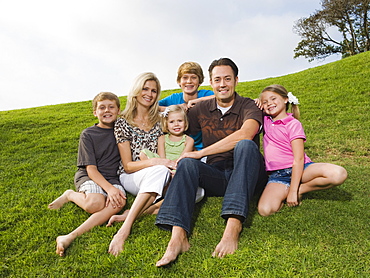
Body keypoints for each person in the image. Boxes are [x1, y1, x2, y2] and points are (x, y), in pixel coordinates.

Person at [155, 58, 267, 267]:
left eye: (227, 79)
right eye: (217, 80)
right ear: (212, 83)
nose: (222, 84)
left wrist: (201, 153)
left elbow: (246, 133)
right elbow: (175, 126)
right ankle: (178, 237)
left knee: (245, 145)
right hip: (218, 175)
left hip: (247, 172)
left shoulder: (249, 105)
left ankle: (233, 228)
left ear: (236, 80)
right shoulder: (201, 108)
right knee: (188, 164)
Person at [48, 92, 126, 257]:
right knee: (94, 204)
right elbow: (91, 168)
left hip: (113, 178)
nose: (107, 110)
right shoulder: (88, 134)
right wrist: (109, 189)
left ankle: (69, 237)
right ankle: (70, 195)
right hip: (91, 175)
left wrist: (113, 188)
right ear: (95, 112)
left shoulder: (122, 130)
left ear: (119, 110)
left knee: (118, 203)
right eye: (102, 107)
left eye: (111, 107)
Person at [108, 72, 174, 256]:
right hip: (131, 175)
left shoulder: (159, 121)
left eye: (154, 91)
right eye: (145, 89)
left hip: (157, 172)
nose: (149, 94)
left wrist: (168, 168)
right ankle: (125, 229)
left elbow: (163, 155)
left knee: (197, 192)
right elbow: (128, 165)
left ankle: (134, 212)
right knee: (160, 170)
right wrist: (156, 162)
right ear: (136, 91)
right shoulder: (122, 121)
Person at [257, 84, 347, 216]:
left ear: (285, 99)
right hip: (278, 175)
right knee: (265, 210)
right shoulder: (265, 120)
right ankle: (283, 190)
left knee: (338, 174)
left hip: (302, 169)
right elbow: (248, 105)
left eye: (273, 99)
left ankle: (300, 189)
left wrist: (294, 191)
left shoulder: (293, 124)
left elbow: (298, 159)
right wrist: (257, 102)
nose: (269, 103)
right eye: (265, 102)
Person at [106, 105, 202, 225]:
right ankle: (162, 203)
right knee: (146, 155)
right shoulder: (162, 138)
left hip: (178, 168)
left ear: (185, 123)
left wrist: (175, 171)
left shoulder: (189, 140)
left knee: (199, 192)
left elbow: (183, 159)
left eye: (180, 121)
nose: (176, 124)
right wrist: (167, 171)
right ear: (166, 124)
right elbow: (161, 159)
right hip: (163, 168)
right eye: (172, 122)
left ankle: (147, 210)